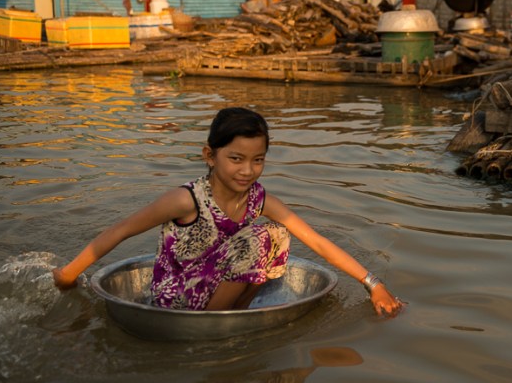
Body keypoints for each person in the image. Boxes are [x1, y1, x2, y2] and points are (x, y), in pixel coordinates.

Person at [53, 107, 404, 317]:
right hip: (176, 299)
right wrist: (69, 275)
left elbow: (317, 241)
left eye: (257, 160)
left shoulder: (258, 199)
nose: (247, 170)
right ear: (211, 156)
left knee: (278, 235)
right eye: (236, 159)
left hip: (218, 287)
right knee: (258, 237)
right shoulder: (186, 200)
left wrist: (374, 284)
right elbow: (120, 231)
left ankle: (233, 315)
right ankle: (214, 321)